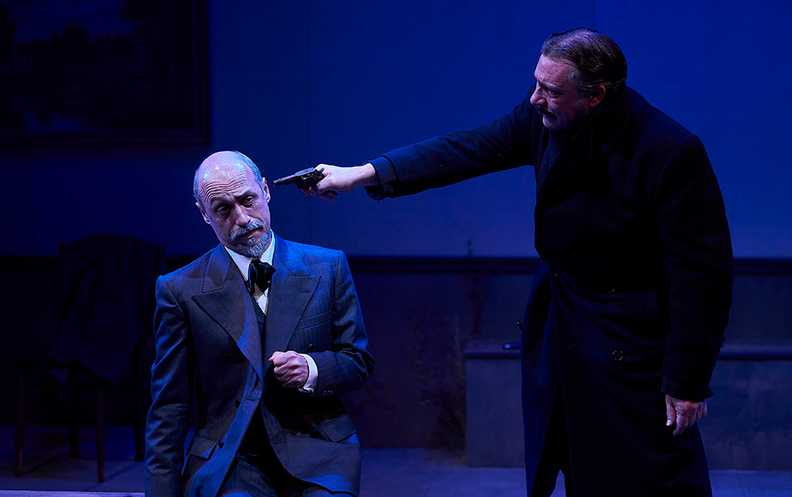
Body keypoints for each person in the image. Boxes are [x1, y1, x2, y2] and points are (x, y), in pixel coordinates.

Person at [303, 28, 733, 496]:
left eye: (551, 90)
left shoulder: (668, 150)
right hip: (564, 320)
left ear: (596, 95)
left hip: (631, 341)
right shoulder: (542, 119)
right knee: (579, 460)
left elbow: (703, 276)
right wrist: (362, 174)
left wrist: (687, 380)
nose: (535, 99)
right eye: (536, 84)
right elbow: (465, 149)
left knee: (651, 471)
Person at [144, 151, 375, 497]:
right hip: (231, 458)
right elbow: (169, 406)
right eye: (223, 209)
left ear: (265, 190)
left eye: (248, 200)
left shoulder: (328, 267)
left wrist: (311, 369)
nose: (241, 218)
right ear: (204, 214)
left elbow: (358, 362)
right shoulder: (179, 288)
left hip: (317, 449)